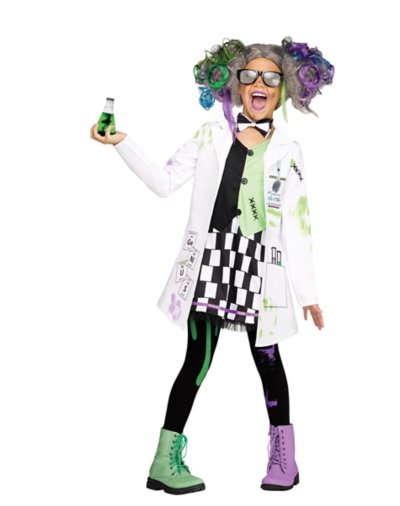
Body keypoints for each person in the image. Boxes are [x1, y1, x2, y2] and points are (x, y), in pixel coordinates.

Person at [90, 36, 333, 495]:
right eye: (250, 75)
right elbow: (164, 182)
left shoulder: (290, 151)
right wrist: (122, 142)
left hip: (261, 270)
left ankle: (284, 459)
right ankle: (163, 461)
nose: (260, 83)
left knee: (268, 360)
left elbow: (298, 226)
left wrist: (309, 294)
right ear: (235, 85)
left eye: (271, 78)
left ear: (284, 90)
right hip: (210, 265)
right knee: (197, 360)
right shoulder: (210, 135)